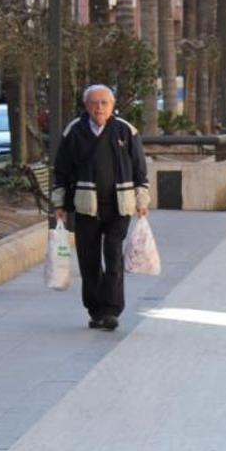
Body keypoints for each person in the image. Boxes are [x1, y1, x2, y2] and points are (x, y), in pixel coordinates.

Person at [52, 85, 151, 331]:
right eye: (94, 103)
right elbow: (61, 169)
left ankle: (112, 310)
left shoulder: (125, 131)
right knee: (89, 259)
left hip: (120, 205)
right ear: (86, 106)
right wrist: (59, 204)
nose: (99, 107)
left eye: (104, 103)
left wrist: (142, 200)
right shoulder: (74, 131)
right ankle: (95, 310)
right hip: (86, 207)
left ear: (112, 105)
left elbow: (140, 167)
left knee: (113, 254)